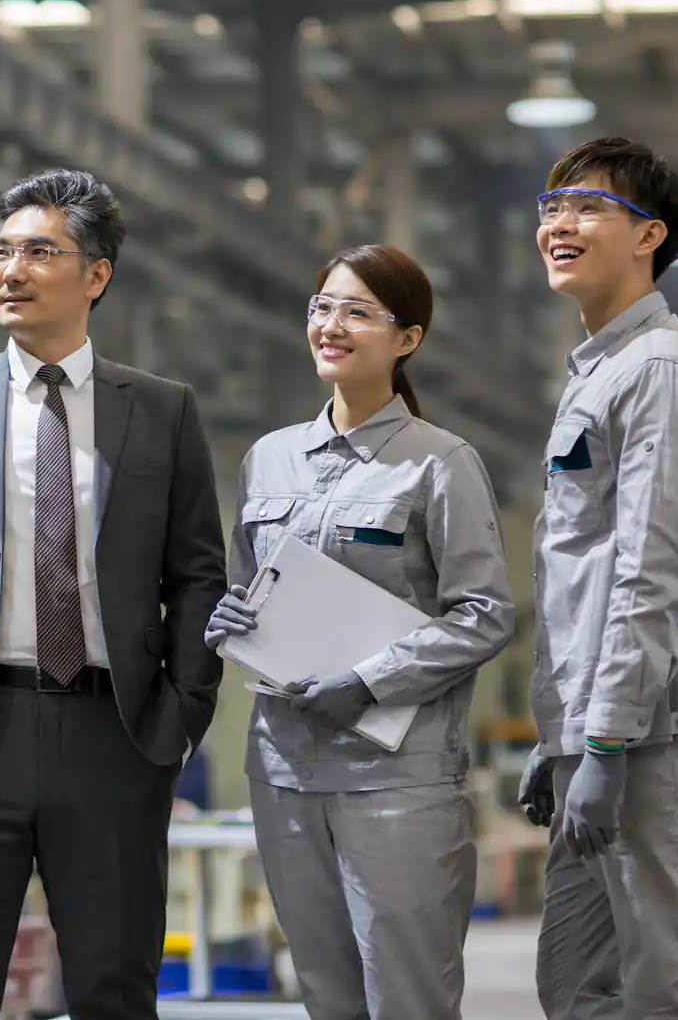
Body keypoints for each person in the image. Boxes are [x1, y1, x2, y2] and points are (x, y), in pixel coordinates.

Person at [0, 168, 226, 1020]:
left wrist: (180, 715)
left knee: (113, 986)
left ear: (95, 275)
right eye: (1, 251)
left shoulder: (163, 411)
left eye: (38, 252)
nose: (10, 270)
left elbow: (200, 575)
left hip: (113, 734)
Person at [208, 244, 516, 1020]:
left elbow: (485, 611)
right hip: (282, 769)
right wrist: (227, 614)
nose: (330, 325)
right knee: (325, 993)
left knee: (405, 996)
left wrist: (370, 679)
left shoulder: (440, 463)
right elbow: (251, 585)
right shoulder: (268, 459)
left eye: (355, 311)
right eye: (320, 307)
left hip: (396, 781)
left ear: (406, 338)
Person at [515, 137, 678, 1020]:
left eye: (585, 208)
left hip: (656, 735)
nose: (558, 225)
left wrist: (606, 741)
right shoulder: (601, 373)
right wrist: (560, 735)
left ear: (651, 235)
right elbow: (581, 576)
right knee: (576, 986)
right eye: (549, 209)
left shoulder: (662, 373)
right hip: (601, 734)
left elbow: (655, 569)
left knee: (670, 990)